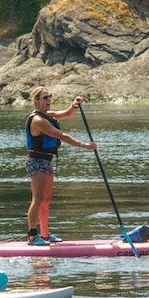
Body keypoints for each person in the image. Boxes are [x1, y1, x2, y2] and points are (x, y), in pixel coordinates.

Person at [25, 87, 96, 245]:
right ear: (36, 101)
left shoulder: (47, 115)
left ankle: (45, 235)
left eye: (49, 96)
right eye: (45, 97)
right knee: (38, 199)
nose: (49, 100)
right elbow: (61, 136)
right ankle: (32, 236)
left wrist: (75, 106)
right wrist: (84, 145)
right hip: (37, 161)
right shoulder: (38, 120)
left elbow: (67, 114)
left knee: (46, 199)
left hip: (47, 160)